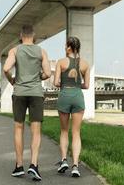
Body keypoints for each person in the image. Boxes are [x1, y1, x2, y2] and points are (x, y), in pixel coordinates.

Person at [3, 24, 51, 181]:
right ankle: (34, 165)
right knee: (36, 130)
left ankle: (18, 166)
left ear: (21, 35)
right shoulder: (41, 52)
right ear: (34, 35)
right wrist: (38, 78)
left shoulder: (15, 50)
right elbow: (48, 73)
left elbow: (5, 68)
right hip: (36, 94)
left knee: (18, 128)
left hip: (20, 93)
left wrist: (12, 81)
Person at [53, 36, 90, 177]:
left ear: (69, 47)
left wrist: (65, 82)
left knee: (64, 131)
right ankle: (75, 165)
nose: (64, 47)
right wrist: (76, 84)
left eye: (65, 45)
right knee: (76, 133)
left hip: (64, 96)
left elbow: (56, 83)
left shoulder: (61, 62)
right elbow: (86, 85)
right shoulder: (85, 64)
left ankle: (63, 161)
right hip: (77, 97)